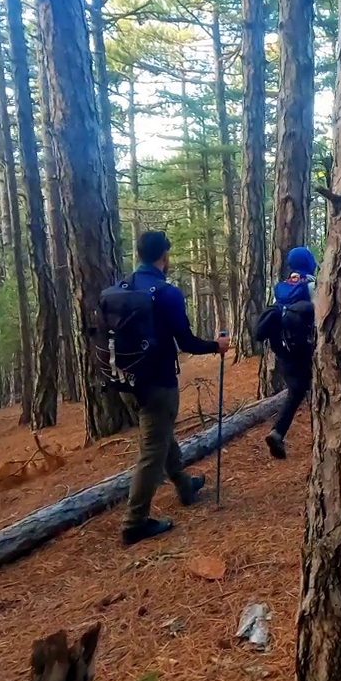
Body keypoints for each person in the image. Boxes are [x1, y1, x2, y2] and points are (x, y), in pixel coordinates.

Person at [117, 230, 230, 545]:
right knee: (152, 450)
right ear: (163, 256)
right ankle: (134, 523)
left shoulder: (123, 287)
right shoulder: (167, 293)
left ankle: (184, 484)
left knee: (161, 433)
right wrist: (217, 345)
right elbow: (187, 342)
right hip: (158, 381)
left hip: (126, 381)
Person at [257, 246, 318, 460]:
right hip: (308, 350)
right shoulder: (311, 286)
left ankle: (279, 432)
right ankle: (312, 436)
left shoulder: (281, 289)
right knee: (315, 390)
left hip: (284, 352)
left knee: (297, 391)